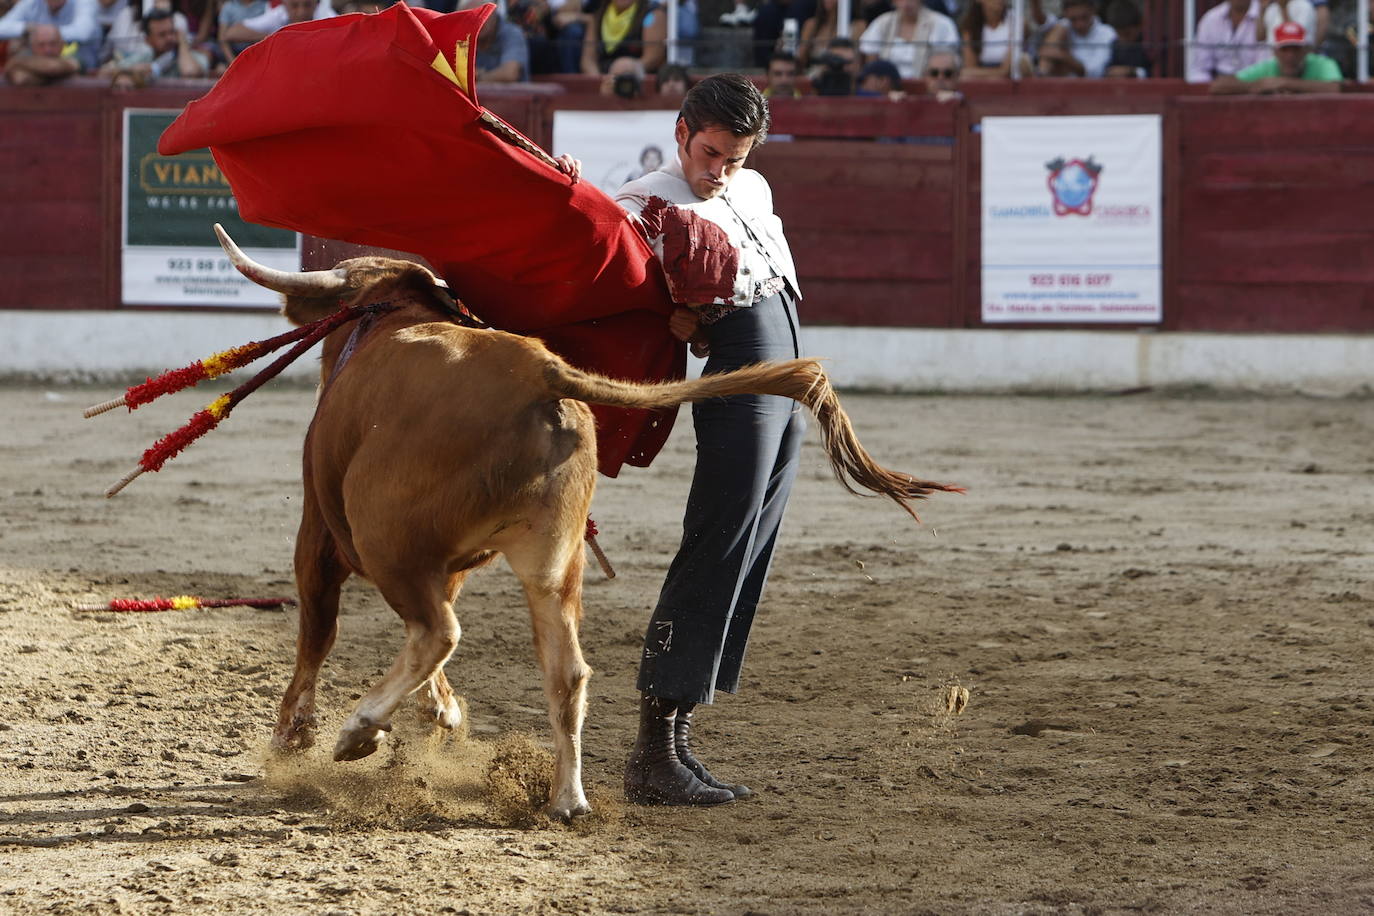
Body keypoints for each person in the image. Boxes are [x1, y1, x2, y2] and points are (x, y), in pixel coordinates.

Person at [612, 73, 803, 807]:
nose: (718, 172)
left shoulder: (751, 192)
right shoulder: (640, 205)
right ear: (681, 130)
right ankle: (651, 755)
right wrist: (670, 319)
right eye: (710, 152)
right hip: (740, 385)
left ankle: (679, 738)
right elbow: (611, 296)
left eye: (735, 158)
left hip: (787, 385)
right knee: (716, 543)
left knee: (749, 548)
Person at [1209, 19, 1340, 92]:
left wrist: (1282, 84)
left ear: (1306, 50)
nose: (1290, 55)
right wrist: (1256, 86)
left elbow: (1335, 88)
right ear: (1275, 51)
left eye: (1296, 49)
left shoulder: (1323, 64)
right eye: (1285, 49)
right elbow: (1217, 87)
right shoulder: (1267, 68)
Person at [857, 0, 958, 81]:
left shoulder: (942, 24)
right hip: (887, 89)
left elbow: (947, 65)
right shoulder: (882, 23)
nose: (906, 3)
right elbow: (871, 64)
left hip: (927, 88)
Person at [99, 5, 207, 80]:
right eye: (162, 34)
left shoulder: (195, 57)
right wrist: (132, 71)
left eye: (172, 32)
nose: (169, 38)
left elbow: (189, 72)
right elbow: (103, 74)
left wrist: (183, 43)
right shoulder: (144, 58)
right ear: (148, 40)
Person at [0, 0, 100, 70]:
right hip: (38, 67)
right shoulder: (32, 3)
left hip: (82, 69)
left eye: (52, 43)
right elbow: (2, 28)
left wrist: (43, 33)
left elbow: (83, 33)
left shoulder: (85, 2)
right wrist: (26, 28)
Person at [1187, 0, 1267, 82]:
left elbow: (1265, 67)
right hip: (1216, 86)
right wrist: (1208, 88)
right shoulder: (1210, 19)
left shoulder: (1265, 15)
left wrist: (1236, 85)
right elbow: (1199, 68)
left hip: (1254, 86)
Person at [958, 0, 1041, 78]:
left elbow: (1006, 70)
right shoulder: (969, 26)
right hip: (986, 77)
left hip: (1012, 77)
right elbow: (969, 68)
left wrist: (981, 74)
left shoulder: (1017, 21)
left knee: (1024, 61)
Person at [579, 0, 665, 75]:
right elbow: (588, 60)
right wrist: (599, 81)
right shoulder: (599, 12)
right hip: (602, 78)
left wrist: (624, 70)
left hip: (636, 80)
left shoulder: (652, 13)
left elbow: (652, 58)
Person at [1036, 0, 1116, 77]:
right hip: (1061, 81)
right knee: (1059, 29)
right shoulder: (1064, 26)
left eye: (1084, 17)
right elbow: (1042, 21)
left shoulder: (1107, 33)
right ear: (1065, 14)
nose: (1079, 25)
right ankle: (1041, 73)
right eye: (1073, 19)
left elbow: (1094, 72)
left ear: (1093, 10)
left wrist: (1063, 56)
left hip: (1091, 87)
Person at [221, 0, 331, 46]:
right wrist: (277, 37)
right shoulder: (278, 14)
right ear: (285, 4)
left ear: (317, 4)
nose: (301, 12)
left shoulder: (327, 16)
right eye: (294, 6)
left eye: (307, 5)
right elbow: (232, 33)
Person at [3, 21, 80, 83]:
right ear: (33, 46)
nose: (47, 50)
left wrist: (16, 63)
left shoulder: (74, 58)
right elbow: (20, 78)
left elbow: (52, 68)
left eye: (52, 44)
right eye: (41, 45)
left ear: (62, 45)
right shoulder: (25, 59)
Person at [473, 6, 529, 81]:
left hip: (511, 92)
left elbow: (510, 73)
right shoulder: (463, 37)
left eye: (482, 15)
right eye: (471, 18)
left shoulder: (511, 33)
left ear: (493, 14)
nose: (478, 22)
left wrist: (478, 78)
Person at [1104, 0, 1150, 77]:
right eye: (1119, 34)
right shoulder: (1116, 44)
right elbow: (1109, 68)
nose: (1123, 39)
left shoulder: (1150, 44)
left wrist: (1132, 71)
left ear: (1140, 25)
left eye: (1127, 34)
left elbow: (1158, 73)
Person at [1256, 0, 1325, 49]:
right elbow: (1260, 37)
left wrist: (1283, 8)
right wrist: (1262, 9)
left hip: (1296, 63)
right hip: (1274, 61)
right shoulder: (1272, 8)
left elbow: (1293, 39)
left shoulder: (1304, 7)